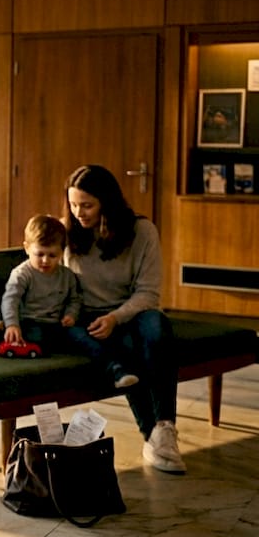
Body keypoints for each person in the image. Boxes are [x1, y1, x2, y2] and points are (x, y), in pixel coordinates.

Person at [63, 164, 184, 474]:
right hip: (90, 319)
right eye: (73, 204)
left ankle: (164, 429)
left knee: (156, 329)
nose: (79, 213)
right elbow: (42, 279)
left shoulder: (142, 231)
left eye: (87, 205)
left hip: (133, 312)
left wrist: (116, 317)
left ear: (107, 202)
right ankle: (154, 438)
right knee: (127, 348)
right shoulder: (68, 232)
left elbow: (148, 294)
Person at [1, 214, 139, 388]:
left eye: (52, 255)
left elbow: (75, 299)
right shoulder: (22, 274)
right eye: (40, 254)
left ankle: (116, 370)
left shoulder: (66, 276)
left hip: (57, 325)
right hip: (30, 323)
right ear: (27, 248)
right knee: (37, 336)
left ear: (62, 252)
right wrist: (12, 324)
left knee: (84, 337)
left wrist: (70, 315)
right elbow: (10, 300)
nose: (45, 260)